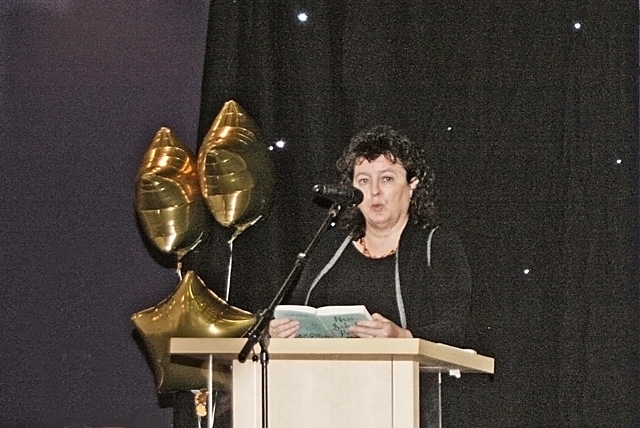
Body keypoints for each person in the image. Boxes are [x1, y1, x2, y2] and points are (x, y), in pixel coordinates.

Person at [269, 125, 471, 345]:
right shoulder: (331, 247)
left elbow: (455, 330)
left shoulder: (437, 244)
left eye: (386, 179)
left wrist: (402, 337)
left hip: (410, 377)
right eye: (364, 181)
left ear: (412, 185)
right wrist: (281, 330)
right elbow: (298, 311)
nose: (374, 191)